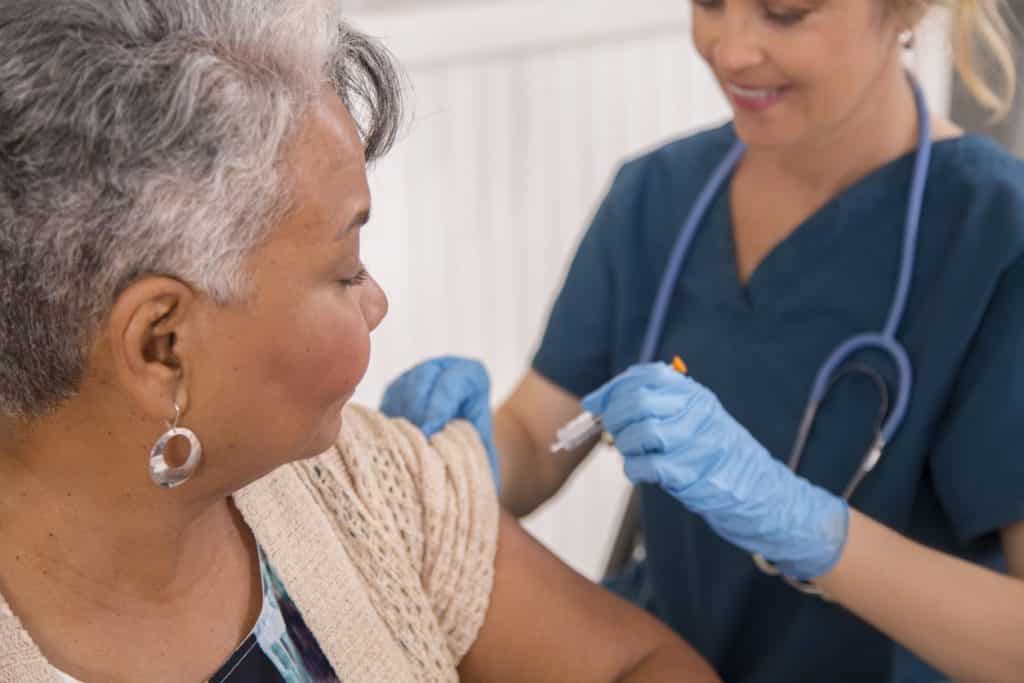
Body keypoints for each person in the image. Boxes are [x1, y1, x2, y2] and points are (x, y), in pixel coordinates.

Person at [0, 2, 723, 681]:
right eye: (346, 270)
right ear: (163, 347)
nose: (377, 300)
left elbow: (644, 664)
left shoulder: (366, 483)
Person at [380, 0, 1024, 681]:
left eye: (784, 12)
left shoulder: (992, 239)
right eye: (709, 3)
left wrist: (809, 529)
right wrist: (457, 459)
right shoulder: (658, 196)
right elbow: (541, 433)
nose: (730, 49)